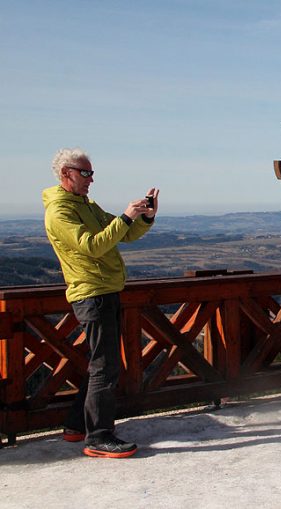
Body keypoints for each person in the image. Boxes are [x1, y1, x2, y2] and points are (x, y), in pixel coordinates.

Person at [43, 147, 158, 458]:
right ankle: (99, 436)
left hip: (105, 290)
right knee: (105, 367)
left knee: (101, 365)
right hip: (91, 293)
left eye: (91, 173)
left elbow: (125, 234)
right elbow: (92, 247)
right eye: (85, 173)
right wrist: (125, 216)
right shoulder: (60, 212)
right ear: (66, 174)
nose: (91, 179)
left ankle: (75, 426)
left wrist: (145, 217)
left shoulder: (86, 205)